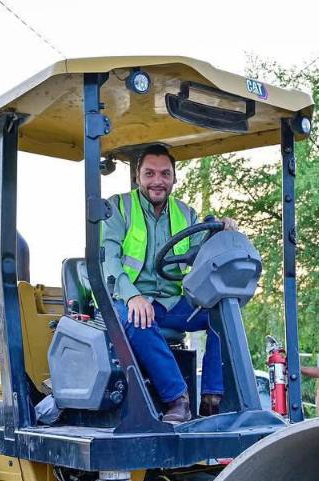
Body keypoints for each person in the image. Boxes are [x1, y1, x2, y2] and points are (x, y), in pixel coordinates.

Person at [101, 144, 236, 423]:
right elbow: (109, 261)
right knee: (137, 317)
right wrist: (132, 296)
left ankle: (213, 398)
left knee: (220, 311)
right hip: (126, 299)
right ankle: (178, 399)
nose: (157, 181)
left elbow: (203, 257)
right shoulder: (119, 208)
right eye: (149, 173)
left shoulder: (186, 214)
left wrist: (221, 232)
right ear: (138, 177)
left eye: (165, 174)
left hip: (171, 303)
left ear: (174, 178)